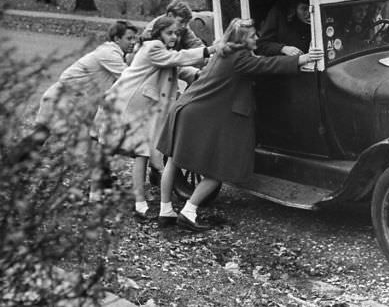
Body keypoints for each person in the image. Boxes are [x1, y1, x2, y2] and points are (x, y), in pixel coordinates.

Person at [156, 18, 324, 231]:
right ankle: (189, 212)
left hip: (186, 107)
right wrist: (303, 59)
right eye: (253, 35)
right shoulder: (239, 57)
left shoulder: (224, 51)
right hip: (200, 114)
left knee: (173, 161)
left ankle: (165, 210)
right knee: (219, 169)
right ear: (243, 39)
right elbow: (265, 64)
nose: (257, 38)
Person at [94, 15, 217, 220]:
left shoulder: (163, 53)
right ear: (158, 33)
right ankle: (138, 202)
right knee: (140, 152)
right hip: (130, 103)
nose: (173, 37)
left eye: (176, 33)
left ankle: (140, 201)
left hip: (142, 106)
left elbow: (179, 67)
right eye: (169, 33)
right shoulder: (153, 48)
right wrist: (209, 50)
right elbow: (178, 59)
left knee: (141, 153)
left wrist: (201, 75)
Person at [10, 21, 139, 176]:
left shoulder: (115, 54)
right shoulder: (109, 54)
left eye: (134, 39)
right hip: (60, 99)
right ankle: (12, 166)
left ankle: (13, 167)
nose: (133, 42)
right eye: (129, 38)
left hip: (72, 102)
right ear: (117, 39)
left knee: (85, 141)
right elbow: (129, 78)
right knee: (43, 137)